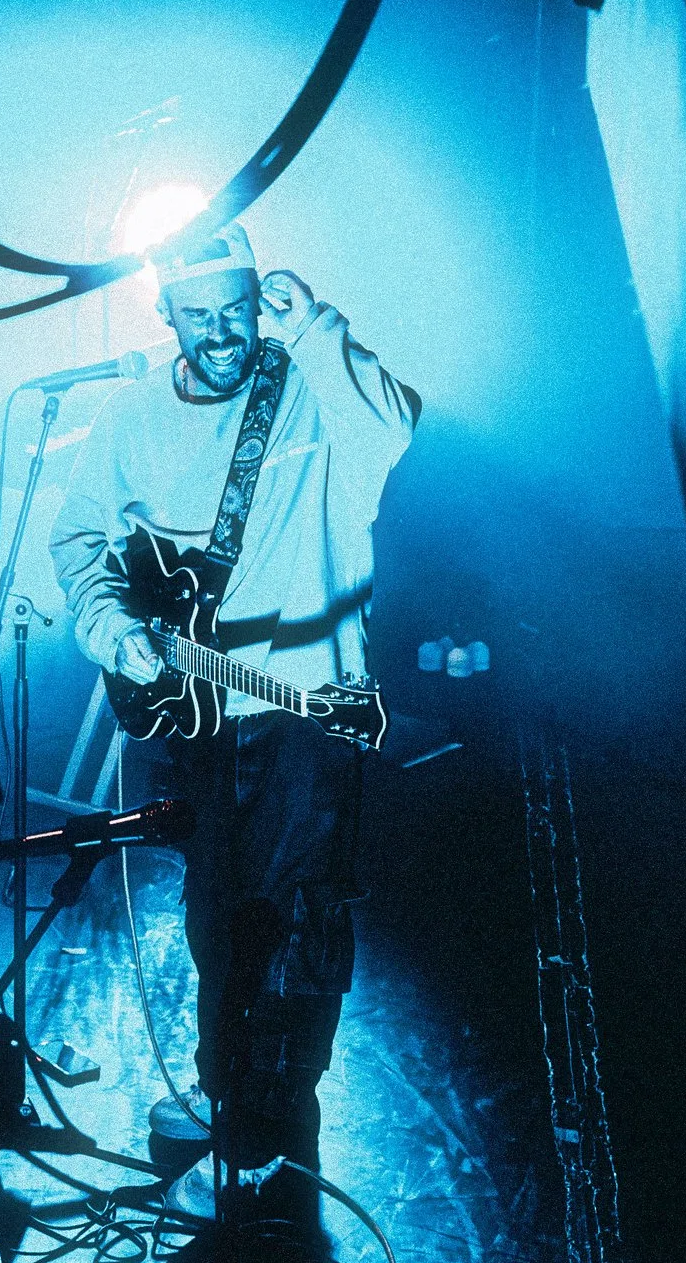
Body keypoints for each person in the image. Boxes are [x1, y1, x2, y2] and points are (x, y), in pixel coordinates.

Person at [49, 221, 419, 1180]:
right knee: (217, 914)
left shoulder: (309, 390)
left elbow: (393, 430)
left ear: (262, 299)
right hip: (197, 711)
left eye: (237, 311)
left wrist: (320, 327)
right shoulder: (129, 418)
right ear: (163, 312)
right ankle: (226, 1093)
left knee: (299, 917)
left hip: (309, 703)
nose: (220, 335)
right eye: (196, 316)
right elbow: (79, 542)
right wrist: (115, 633)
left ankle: (282, 1110)